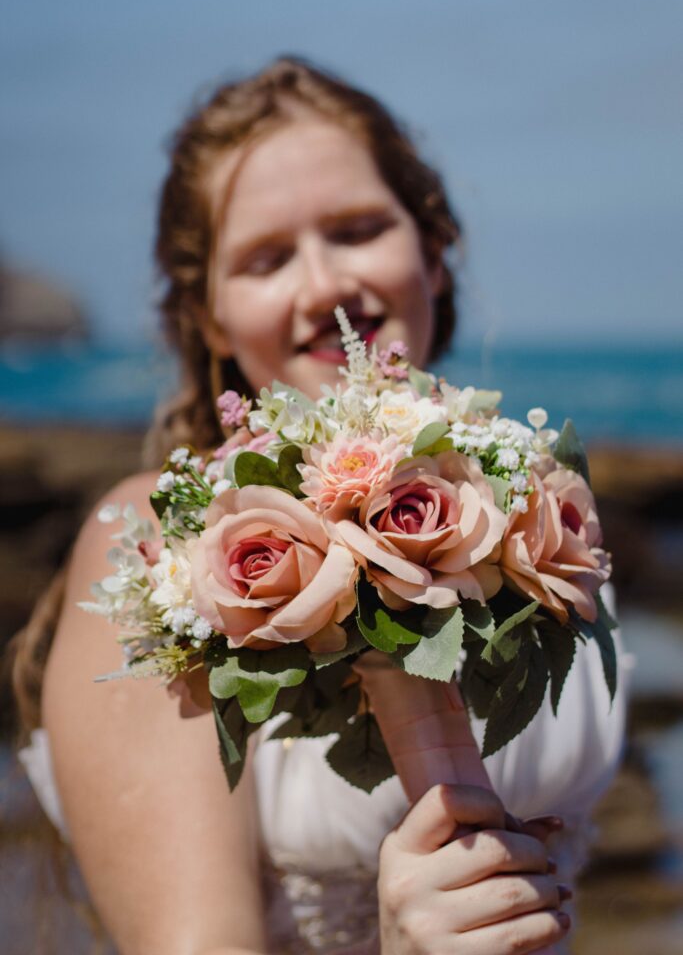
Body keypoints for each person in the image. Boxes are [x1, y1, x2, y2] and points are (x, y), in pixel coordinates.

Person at [13, 56, 627, 955]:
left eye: (357, 229)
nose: (324, 286)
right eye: (266, 258)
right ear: (210, 315)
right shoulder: (165, 558)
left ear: (433, 249)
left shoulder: (529, 500)